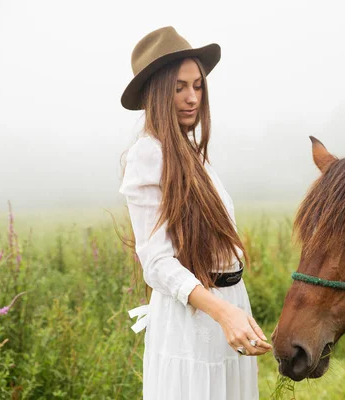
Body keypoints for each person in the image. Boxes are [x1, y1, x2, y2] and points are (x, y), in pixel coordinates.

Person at [119, 27, 272, 400]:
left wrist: (233, 311)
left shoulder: (192, 151)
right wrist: (222, 313)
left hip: (230, 304)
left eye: (198, 86)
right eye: (179, 87)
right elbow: (156, 262)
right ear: (158, 93)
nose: (192, 98)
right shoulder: (148, 155)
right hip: (194, 320)